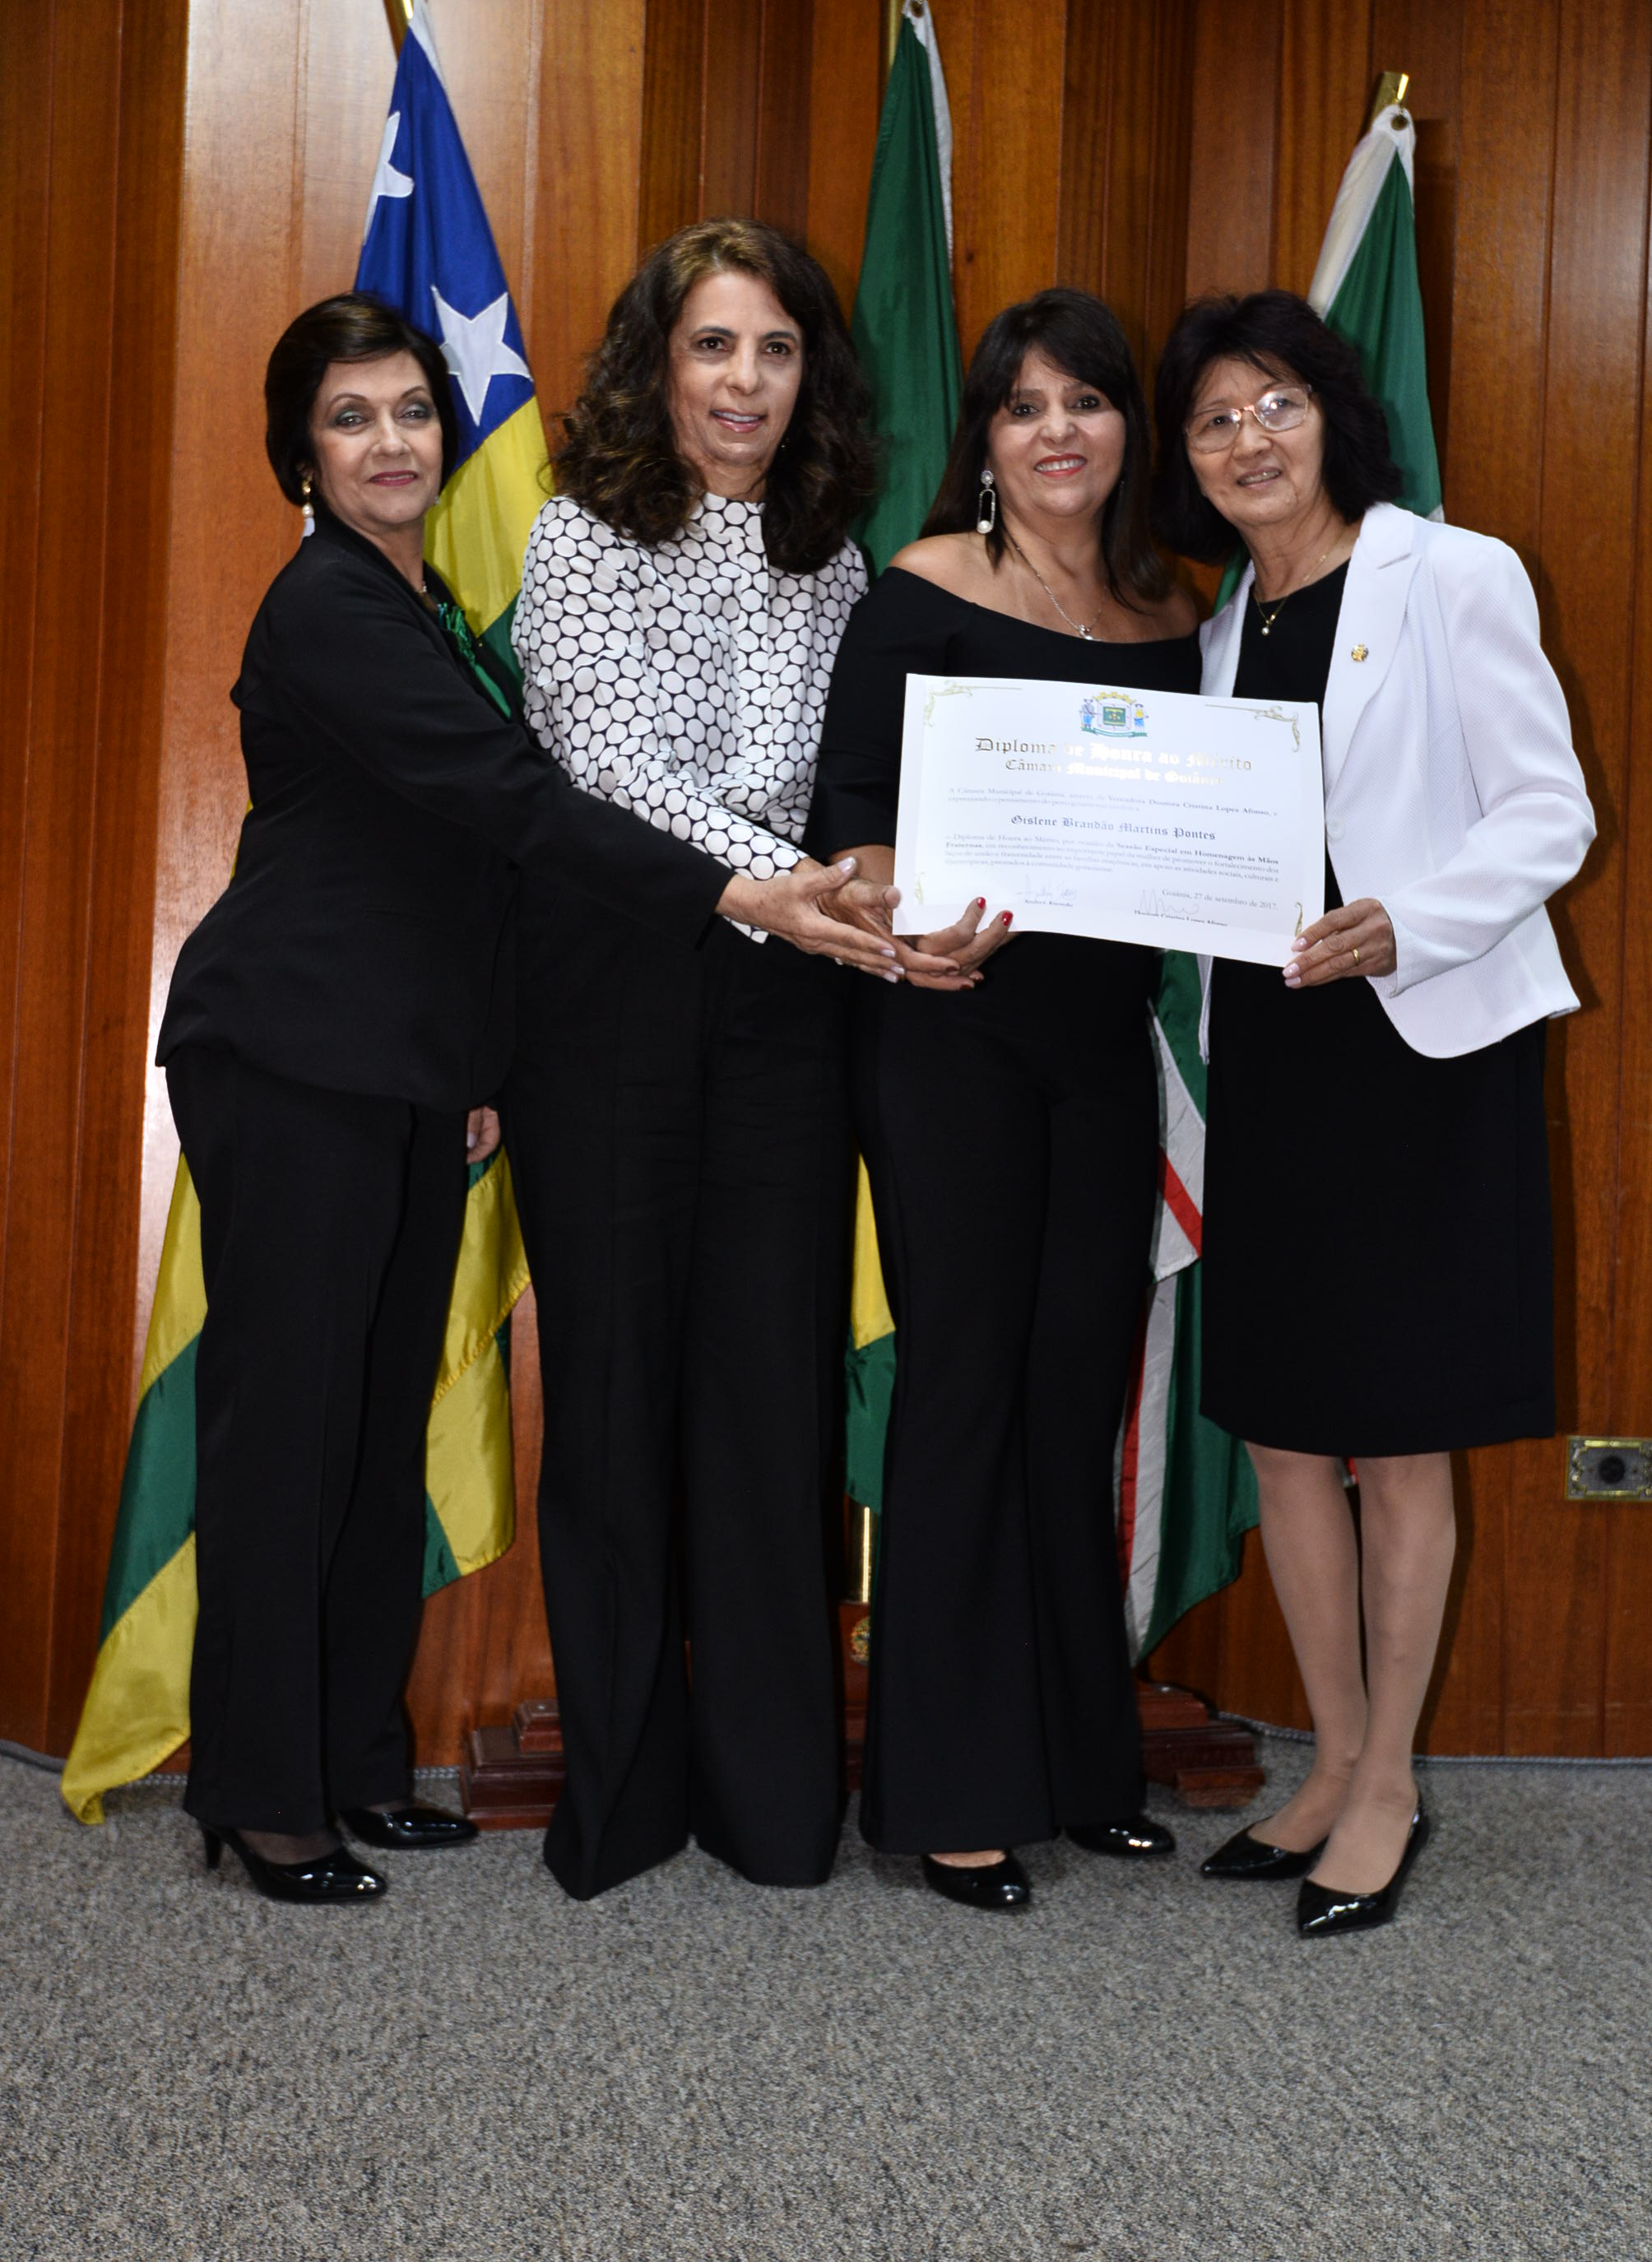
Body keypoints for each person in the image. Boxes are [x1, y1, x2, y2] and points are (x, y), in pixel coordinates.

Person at [157, 293, 901, 1906]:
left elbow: (456, 875)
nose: (391, 443)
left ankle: (354, 1764)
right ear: (298, 455)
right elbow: (508, 800)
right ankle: (262, 1797)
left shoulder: (414, 602)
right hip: (293, 1054)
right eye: (349, 418)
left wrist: (485, 1064)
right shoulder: (327, 607)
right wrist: (738, 890)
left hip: (409, 1067)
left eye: (412, 411)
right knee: (289, 1433)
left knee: (369, 1429)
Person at [504, 221, 956, 1902]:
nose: (745, 381)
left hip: (786, 1010)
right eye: (713, 346)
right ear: (659, 364)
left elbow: (846, 784)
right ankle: (620, 1799)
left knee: (770, 1402)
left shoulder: (833, 558)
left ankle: (774, 1807)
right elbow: (603, 762)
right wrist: (784, 887)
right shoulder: (580, 528)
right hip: (612, 1001)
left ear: (807, 373)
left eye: (774, 348)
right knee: (615, 1400)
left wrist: (871, 884)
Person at [1152, 289, 1594, 1936]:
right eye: (1213, 419)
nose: (1246, 439)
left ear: (1334, 416)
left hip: (1421, 1051)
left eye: (1274, 403)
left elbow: (1547, 812)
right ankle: (1329, 1759)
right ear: (1187, 461)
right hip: (1274, 1055)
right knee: (1283, 1428)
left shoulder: (1450, 574)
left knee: (1397, 1435)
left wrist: (1407, 920)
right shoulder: (1216, 633)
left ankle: (1391, 1781)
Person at [809, 289, 1201, 1911]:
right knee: (967, 1386)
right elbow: (848, 810)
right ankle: (947, 1790)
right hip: (947, 1034)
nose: (1057, 431)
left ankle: (1078, 1763)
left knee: (1072, 1394)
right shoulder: (918, 589)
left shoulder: (1168, 610)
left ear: (1126, 429)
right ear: (985, 435)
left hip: (1101, 1052)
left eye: (1085, 401)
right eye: (1024, 405)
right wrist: (899, 913)